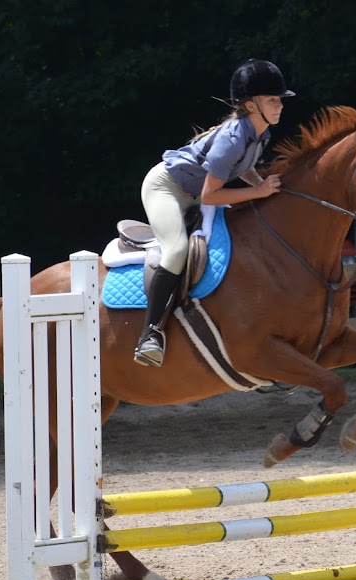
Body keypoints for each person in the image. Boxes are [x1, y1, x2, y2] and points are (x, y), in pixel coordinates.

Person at [134, 59, 296, 367]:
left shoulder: (259, 134)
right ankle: (150, 335)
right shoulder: (233, 137)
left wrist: (262, 186)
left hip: (194, 194)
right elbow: (211, 194)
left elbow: (244, 169)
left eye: (279, 100)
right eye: (272, 100)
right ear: (251, 105)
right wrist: (259, 192)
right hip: (166, 188)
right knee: (177, 250)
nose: (280, 105)